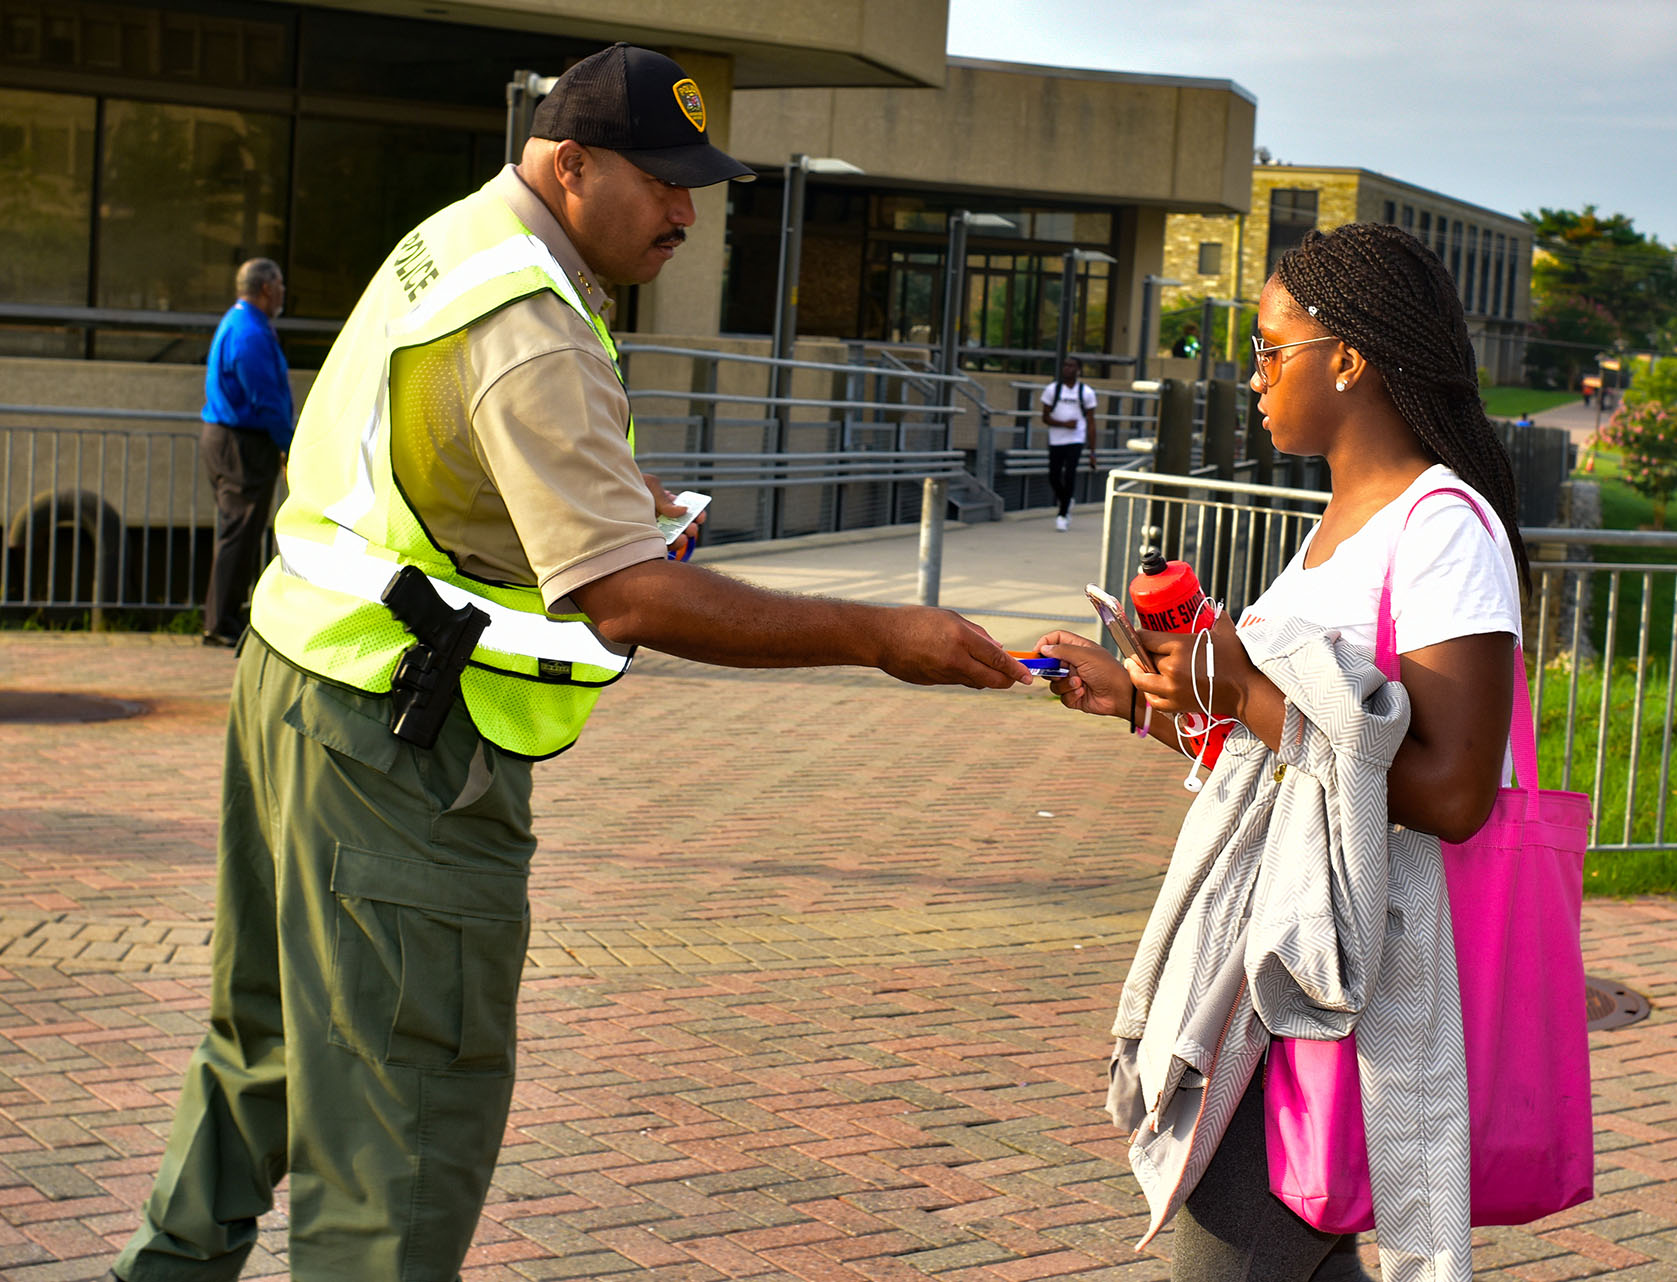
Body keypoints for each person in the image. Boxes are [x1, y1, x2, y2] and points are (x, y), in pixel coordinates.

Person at [108, 44, 1029, 1282]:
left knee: (262, 1041)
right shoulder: (532, 320)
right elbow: (630, 594)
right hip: (400, 749)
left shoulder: (458, 242)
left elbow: (444, 457)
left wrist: (607, 490)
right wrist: (880, 634)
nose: (687, 214)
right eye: (663, 183)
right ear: (572, 162)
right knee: (405, 1116)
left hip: (295, 688)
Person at [1036, 222, 1528, 1282]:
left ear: (1347, 357)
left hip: (1357, 965)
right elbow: (1286, 754)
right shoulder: (1335, 526)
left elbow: (1450, 792)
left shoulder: (1443, 529)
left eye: (1269, 349)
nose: (1250, 376)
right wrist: (1131, 697)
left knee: (1234, 1252)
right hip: (1288, 943)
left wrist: (1251, 689)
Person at [198, 257, 293, 647]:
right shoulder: (250, 333)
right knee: (239, 532)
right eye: (281, 285)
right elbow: (265, 398)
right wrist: (289, 445)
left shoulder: (241, 322)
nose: (285, 292)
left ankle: (226, 616)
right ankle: (219, 623)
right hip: (241, 444)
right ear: (267, 288)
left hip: (232, 440)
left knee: (241, 530)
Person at [1039, 355, 1097, 530]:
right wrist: (1064, 424)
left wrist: (1092, 451)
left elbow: (1091, 422)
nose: (1067, 369)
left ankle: (1062, 515)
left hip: (1076, 439)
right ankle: (1066, 499)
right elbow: (1045, 417)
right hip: (1056, 440)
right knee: (1053, 475)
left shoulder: (1086, 392)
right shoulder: (1052, 390)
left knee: (1070, 474)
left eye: (1071, 366)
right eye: (1065, 365)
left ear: (1078, 370)